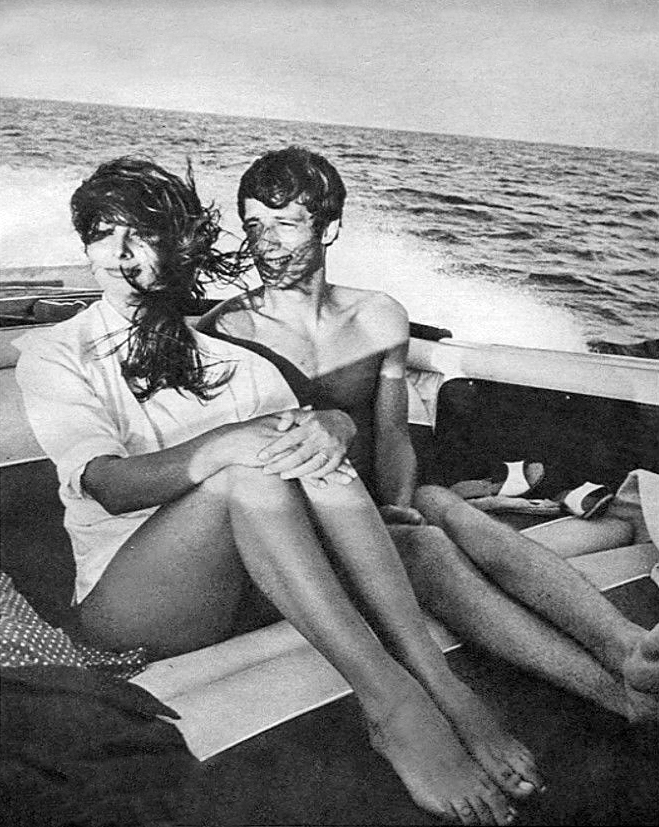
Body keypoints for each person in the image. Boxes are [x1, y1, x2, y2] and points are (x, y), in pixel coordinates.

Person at [14, 157, 551, 827]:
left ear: (180, 247)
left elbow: (315, 468)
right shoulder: (57, 352)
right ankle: (392, 703)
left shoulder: (235, 362)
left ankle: (444, 686)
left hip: (240, 594)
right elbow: (108, 485)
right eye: (102, 235)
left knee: (307, 448)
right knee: (252, 465)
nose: (120, 256)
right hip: (126, 609)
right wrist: (225, 444)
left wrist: (333, 426)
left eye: (141, 235)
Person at [198, 145, 659, 727]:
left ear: (329, 229)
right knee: (431, 548)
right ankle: (617, 698)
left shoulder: (378, 316)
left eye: (284, 224)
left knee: (442, 504)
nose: (264, 243)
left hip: (374, 494)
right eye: (253, 225)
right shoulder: (227, 331)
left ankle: (627, 646)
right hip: (303, 519)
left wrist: (396, 504)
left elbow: (392, 433)